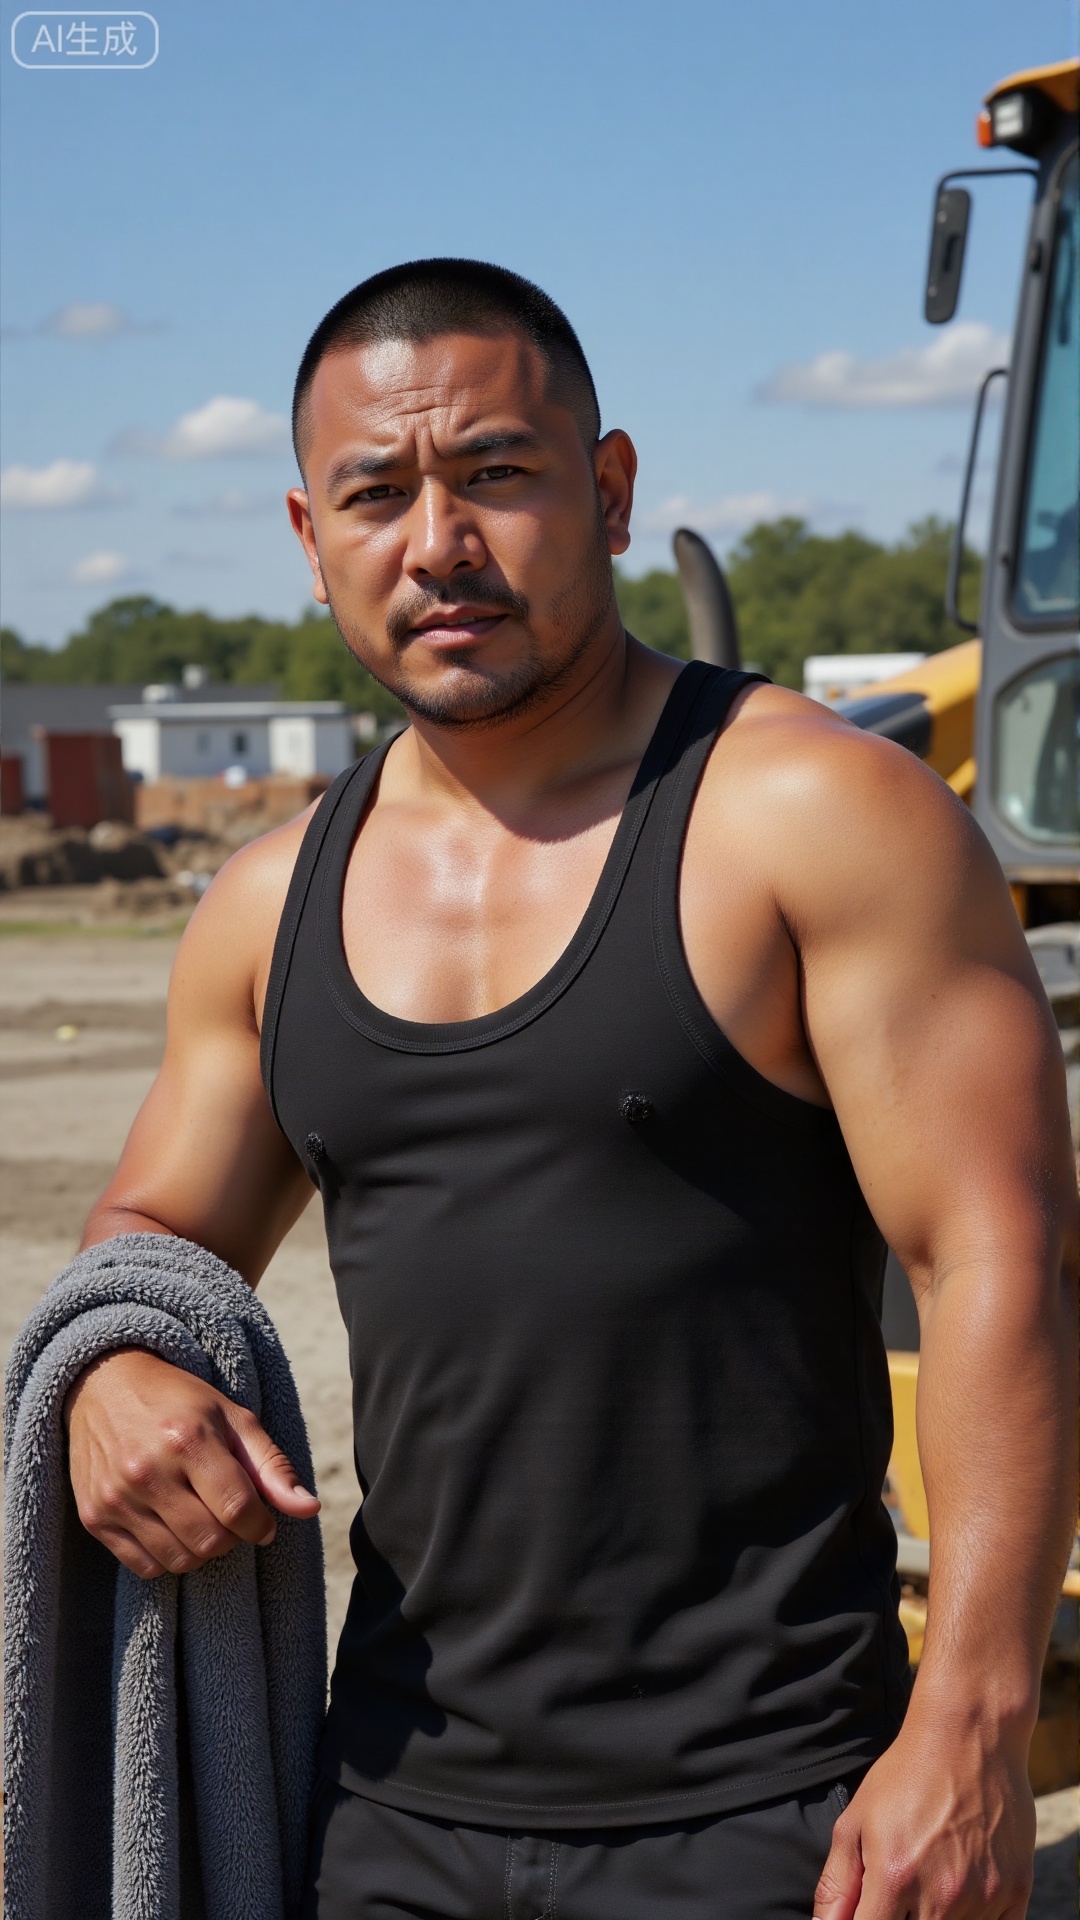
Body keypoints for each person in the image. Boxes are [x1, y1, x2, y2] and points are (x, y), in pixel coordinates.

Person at [64, 259, 1076, 1920]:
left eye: (498, 474)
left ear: (609, 493)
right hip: (391, 1804)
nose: (439, 543)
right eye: (378, 494)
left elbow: (998, 1258)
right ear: (313, 545)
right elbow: (149, 1229)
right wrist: (110, 1361)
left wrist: (971, 1726)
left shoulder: (817, 818)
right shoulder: (264, 906)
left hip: (775, 1814)